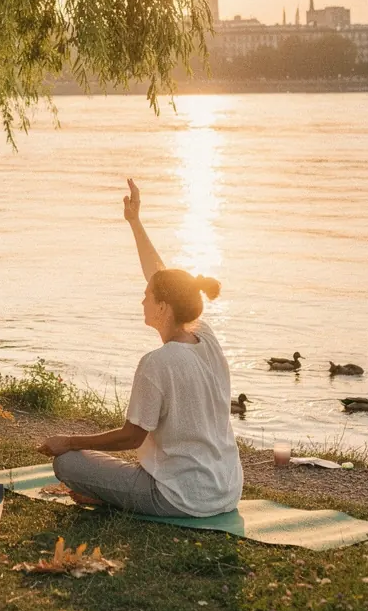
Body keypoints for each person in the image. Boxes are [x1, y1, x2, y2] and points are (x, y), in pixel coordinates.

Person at [38, 179, 243, 518]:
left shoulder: (157, 362)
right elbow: (166, 278)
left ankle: (108, 495)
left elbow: (132, 438)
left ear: (163, 307)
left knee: (69, 464)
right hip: (225, 491)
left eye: (148, 296)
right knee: (94, 463)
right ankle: (109, 493)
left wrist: (70, 441)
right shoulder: (206, 339)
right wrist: (135, 222)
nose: (142, 298)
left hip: (178, 497)